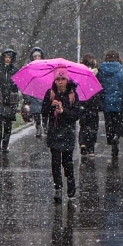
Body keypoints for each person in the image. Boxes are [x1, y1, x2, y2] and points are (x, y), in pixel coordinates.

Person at [42, 67, 81, 201]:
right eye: (58, 79)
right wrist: (51, 107)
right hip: (54, 132)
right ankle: (58, 187)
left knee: (67, 161)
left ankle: (70, 182)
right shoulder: (50, 93)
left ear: (67, 80)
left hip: (68, 132)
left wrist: (64, 112)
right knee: (55, 161)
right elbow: (44, 112)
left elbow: (76, 115)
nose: (60, 82)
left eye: (63, 79)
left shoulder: (73, 95)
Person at [97, 49, 123, 158]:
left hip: (106, 101)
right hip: (120, 102)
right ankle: (117, 136)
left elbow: (97, 85)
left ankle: (111, 137)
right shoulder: (122, 70)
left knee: (109, 123)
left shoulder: (101, 70)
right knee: (119, 122)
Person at [78, 53, 102, 157]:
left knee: (83, 125)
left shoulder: (80, 72)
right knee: (93, 126)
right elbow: (101, 87)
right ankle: (91, 149)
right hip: (94, 103)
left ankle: (82, 143)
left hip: (82, 102)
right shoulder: (97, 74)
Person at [23, 47, 48, 138]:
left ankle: (45, 125)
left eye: (39, 56)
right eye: (35, 56)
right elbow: (26, 82)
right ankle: (38, 127)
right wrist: (26, 97)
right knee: (36, 112)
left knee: (45, 111)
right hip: (33, 93)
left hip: (44, 92)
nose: (37, 58)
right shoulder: (29, 68)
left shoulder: (46, 67)